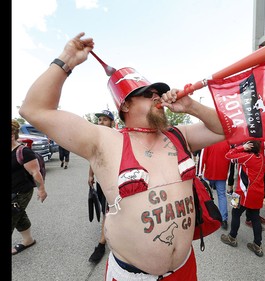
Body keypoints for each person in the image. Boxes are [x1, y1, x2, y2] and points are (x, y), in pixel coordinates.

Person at [19, 32, 227, 280]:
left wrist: (192, 106)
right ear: (125, 105)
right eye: (148, 95)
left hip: (184, 268)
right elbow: (34, 109)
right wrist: (67, 60)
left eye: (157, 94)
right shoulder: (104, 140)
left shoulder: (178, 135)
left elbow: (226, 130)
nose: (157, 98)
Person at [220, 141, 265, 257]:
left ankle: (232, 237)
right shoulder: (260, 157)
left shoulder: (246, 157)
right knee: (255, 219)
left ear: (248, 147)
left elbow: (228, 155)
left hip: (242, 192)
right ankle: (257, 245)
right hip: (257, 193)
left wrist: (240, 147)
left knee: (235, 213)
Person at [11, 119, 48, 255]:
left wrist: (42, 190)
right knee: (19, 215)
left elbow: (35, 172)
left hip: (21, 191)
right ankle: (28, 240)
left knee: (14, 213)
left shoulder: (23, 152)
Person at [87, 109, 115, 263]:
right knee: (106, 210)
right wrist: (90, 175)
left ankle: (101, 244)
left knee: (111, 210)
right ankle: (104, 241)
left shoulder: (118, 137)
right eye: (100, 120)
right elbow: (93, 158)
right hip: (102, 181)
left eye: (105, 119)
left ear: (111, 122)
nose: (101, 122)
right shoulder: (96, 139)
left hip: (116, 181)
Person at [200, 140, 231, 230]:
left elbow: (202, 158)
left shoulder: (208, 142)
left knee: (207, 196)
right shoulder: (227, 143)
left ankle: (209, 216)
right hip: (222, 174)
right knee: (221, 195)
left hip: (209, 173)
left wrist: (199, 174)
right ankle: (223, 219)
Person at [245, 140, 265, 228]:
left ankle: (256, 215)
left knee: (262, 195)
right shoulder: (258, 136)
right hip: (259, 170)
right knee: (254, 195)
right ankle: (249, 218)